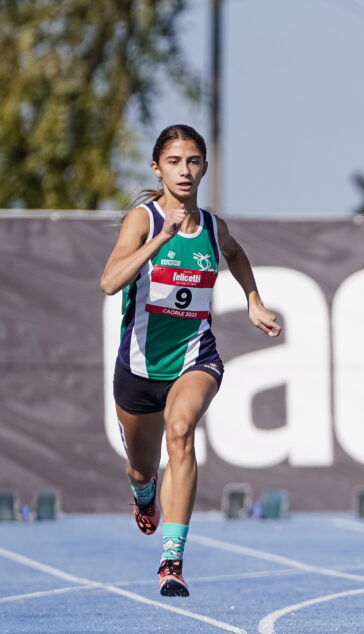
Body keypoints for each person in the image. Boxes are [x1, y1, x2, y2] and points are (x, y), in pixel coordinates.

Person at [99, 124, 281, 597]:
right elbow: (110, 281)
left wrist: (253, 300)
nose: (185, 170)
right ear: (157, 168)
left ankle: (171, 559)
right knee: (141, 469)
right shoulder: (142, 219)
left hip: (194, 357)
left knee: (180, 431)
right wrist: (158, 240)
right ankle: (144, 495)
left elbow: (236, 255)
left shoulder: (215, 228)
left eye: (194, 161)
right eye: (175, 162)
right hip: (138, 368)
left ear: (203, 167)